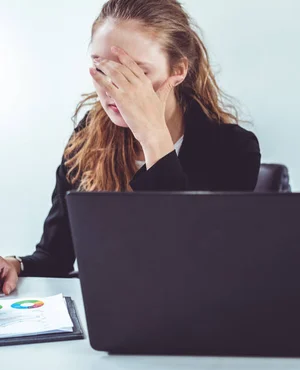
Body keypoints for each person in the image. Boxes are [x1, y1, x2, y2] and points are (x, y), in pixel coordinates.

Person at [0, 0, 261, 294]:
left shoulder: (233, 148)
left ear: (177, 71)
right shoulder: (88, 135)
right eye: (101, 67)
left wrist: (152, 134)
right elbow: (56, 256)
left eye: (135, 72)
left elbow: (197, 265)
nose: (112, 87)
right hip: (108, 314)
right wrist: (16, 264)